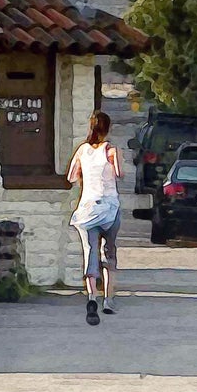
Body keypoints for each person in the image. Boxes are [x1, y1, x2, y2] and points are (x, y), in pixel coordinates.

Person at [68, 111, 122, 325]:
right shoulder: (110, 150)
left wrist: (85, 175)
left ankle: (91, 296)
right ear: (108, 128)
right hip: (109, 208)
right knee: (109, 253)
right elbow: (119, 173)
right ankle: (108, 299)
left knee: (90, 252)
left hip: (87, 208)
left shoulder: (82, 150)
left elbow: (71, 176)